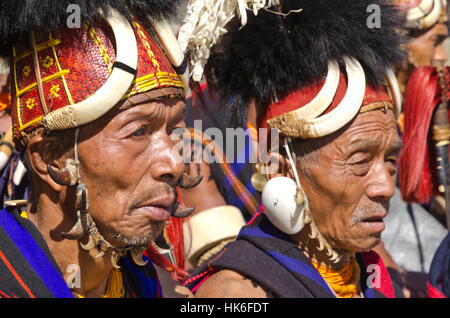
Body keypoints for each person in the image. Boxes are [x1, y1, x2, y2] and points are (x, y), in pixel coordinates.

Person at [179, 0, 406, 298]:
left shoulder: (372, 277)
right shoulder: (238, 294)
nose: (386, 186)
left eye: (390, 161)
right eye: (360, 162)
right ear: (280, 169)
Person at [0, 0, 197, 298]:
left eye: (174, 131)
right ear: (52, 159)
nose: (174, 164)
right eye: (138, 132)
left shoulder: (154, 288)